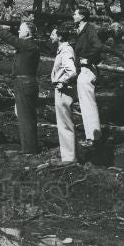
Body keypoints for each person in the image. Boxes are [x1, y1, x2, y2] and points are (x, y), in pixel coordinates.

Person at [0, 18, 40, 153]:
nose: (18, 31)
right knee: (24, 116)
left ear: (28, 33)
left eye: (21, 29)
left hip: (25, 83)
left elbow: (9, 37)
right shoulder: (28, 45)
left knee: (26, 118)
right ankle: (29, 148)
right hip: (23, 83)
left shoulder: (28, 45)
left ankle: (30, 150)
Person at [72, 5, 105, 145]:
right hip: (82, 70)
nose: (73, 16)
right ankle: (90, 137)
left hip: (88, 70)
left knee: (88, 105)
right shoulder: (80, 30)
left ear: (82, 16)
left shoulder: (89, 29)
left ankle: (94, 138)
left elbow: (98, 46)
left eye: (75, 13)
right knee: (84, 105)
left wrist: (89, 59)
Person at [50, 25, 78, 164]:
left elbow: (72, 71)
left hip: (64, 91)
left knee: (65, 124)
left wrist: (62, 81)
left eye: (53, 34)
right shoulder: (62, 49)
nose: (50, 36)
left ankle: (69, 158)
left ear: (60, 37)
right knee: (63, 123)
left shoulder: (66, 50)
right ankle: (67, 156)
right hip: (62, 90)